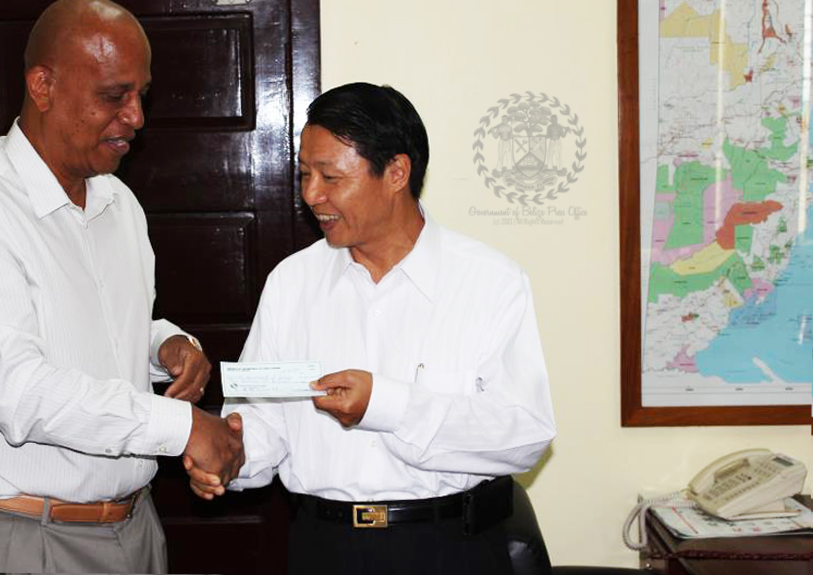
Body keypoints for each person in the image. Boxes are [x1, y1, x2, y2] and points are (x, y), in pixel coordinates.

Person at [0, 0, 243, 574]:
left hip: (134, 527)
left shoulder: (118, 202)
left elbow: (94, 331)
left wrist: (163, 346)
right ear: (43, 86)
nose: (136, 117)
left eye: (141, 95)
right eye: (114, 96)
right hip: (18, 538)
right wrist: (182, 427)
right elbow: (18, 391)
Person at [185, 82, 556, 574]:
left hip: (448, 547)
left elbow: (525, 435)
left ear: (396, 172)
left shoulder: (488, 281)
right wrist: (231, 454)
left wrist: (387, 405)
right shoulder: (292, 282)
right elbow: (266, 418)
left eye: (331, 177)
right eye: (304, 174)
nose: (311, 195)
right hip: (323, 547)